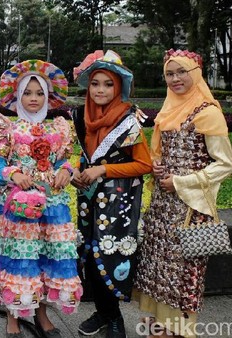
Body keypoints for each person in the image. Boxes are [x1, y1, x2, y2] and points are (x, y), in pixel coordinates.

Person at [0, 59, 82, 338]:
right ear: (18, 96)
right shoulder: (7, 128)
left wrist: (67, 171)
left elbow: (65, 163)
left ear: (48, 97)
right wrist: (14, 174)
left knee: (48, 259)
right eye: (27, 93)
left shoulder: (58, 128)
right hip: (17, 205)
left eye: (39, 93)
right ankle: (13, 315)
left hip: (51, 207)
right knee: (18, 260)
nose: (33, 99)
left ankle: (42, 313)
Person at [133, 49, 232, 338]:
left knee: (181, 277)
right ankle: (162, 329)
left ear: (196, 74)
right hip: (162, 206)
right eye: (169, 73)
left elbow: (224, 165)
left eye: (182, 72)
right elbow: (167, 151)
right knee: (158, 272)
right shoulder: (169, 108)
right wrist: (158, 166)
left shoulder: (208, 112)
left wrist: (181, 182)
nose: (175, 79)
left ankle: (176, 330)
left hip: (190, 210)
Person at [71, 50, 152, 338]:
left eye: (108, 84)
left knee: (111, 255)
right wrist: (78, 174)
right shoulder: (80, 116)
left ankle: (114, 316)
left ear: (118, 87)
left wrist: (103, 171)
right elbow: (82, 157)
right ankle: (103, 313)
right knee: (89, 256)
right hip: (88, 199)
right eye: (95, 84)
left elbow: (145, 164)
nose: (101, 90)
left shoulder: (129, 121)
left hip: (118, 204)